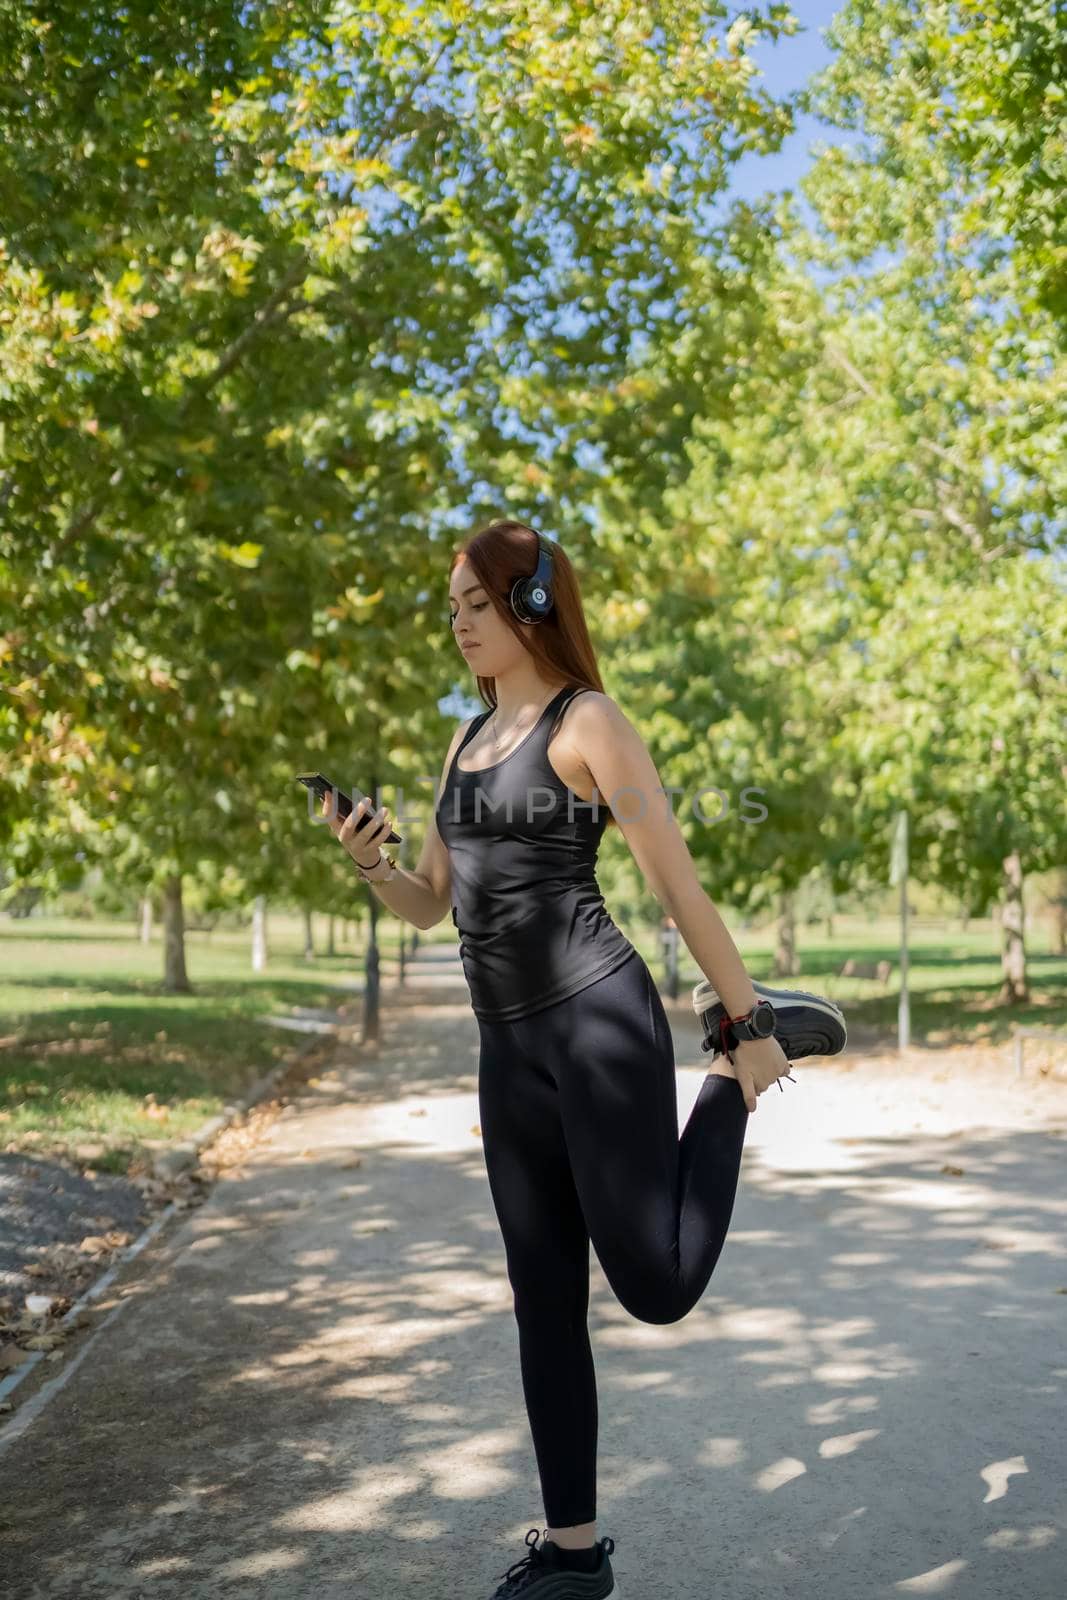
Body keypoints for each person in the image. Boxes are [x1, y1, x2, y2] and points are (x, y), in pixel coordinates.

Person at [322, 520, 793, 1598]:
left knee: (657, 1287)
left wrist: (745, 1024)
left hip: (596, 1024)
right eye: (451, 608)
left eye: (477, 604)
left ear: (532, 603)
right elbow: (430, 903)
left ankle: (724, 1082)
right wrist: (370, 862)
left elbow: (675, 885)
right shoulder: (462, 739)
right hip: (507, 1049)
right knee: (542, 1302)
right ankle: (572, 1554)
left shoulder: (591, 724)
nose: (459, 624)